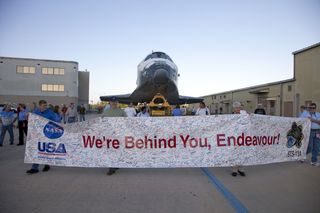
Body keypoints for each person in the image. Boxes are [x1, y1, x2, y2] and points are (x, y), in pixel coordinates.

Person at [26, 100, 61, 174]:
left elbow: (57, 120)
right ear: (39, 105)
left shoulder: (50, 112)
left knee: (46, 150)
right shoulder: (36, 112)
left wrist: (58, 117)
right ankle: (35, 168)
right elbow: (32, 121)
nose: (45, 107)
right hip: (38, 135)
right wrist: (28, 117)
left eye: (46, 105)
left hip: (48, 134)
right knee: (37, 150)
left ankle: (47, 165)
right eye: (43, 105)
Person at [101, 97, 127, 175]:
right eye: (112, 102)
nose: (114, 103)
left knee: (118, 149)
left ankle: (116, 164)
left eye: (115, 102)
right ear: (110, 103)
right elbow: (101, 121)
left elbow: (126, 121)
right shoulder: (106, 112)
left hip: (118, 134)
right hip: (109, 134)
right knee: (110, 150)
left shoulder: (122, 112)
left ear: (117, 102)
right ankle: (111, 167)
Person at [231, 101, 246, 177]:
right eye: (236, 108)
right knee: (235, 153)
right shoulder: (232, 117)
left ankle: (241, 169)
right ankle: (235, 170)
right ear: (234, 109)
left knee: (242, 153)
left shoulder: (244, 113)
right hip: (235, 137)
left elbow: (249, 120)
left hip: (244, 137)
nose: (238, 109)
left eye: (239, 107)